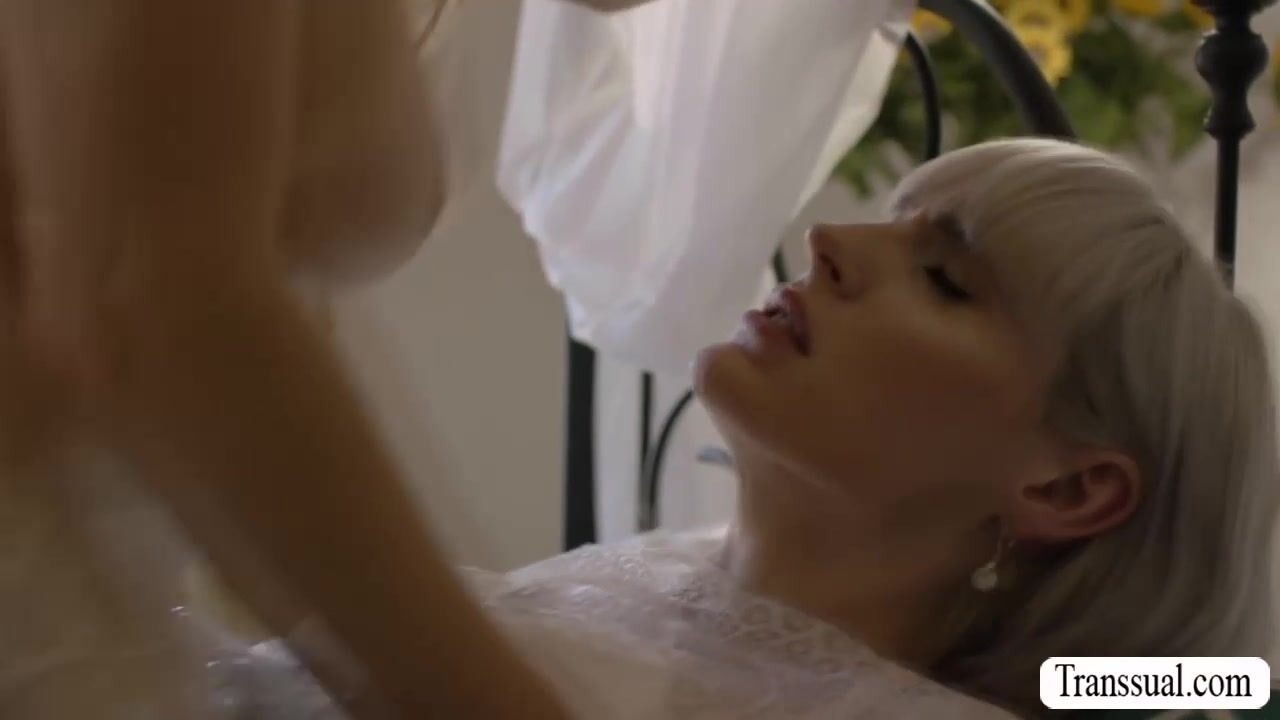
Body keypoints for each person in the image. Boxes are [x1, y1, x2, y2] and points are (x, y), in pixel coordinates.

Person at [1, 4, 1275, 720]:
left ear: (1069, 486)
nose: (828, 239)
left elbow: (1217, 675)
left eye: (944, 278)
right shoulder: (635, 592)